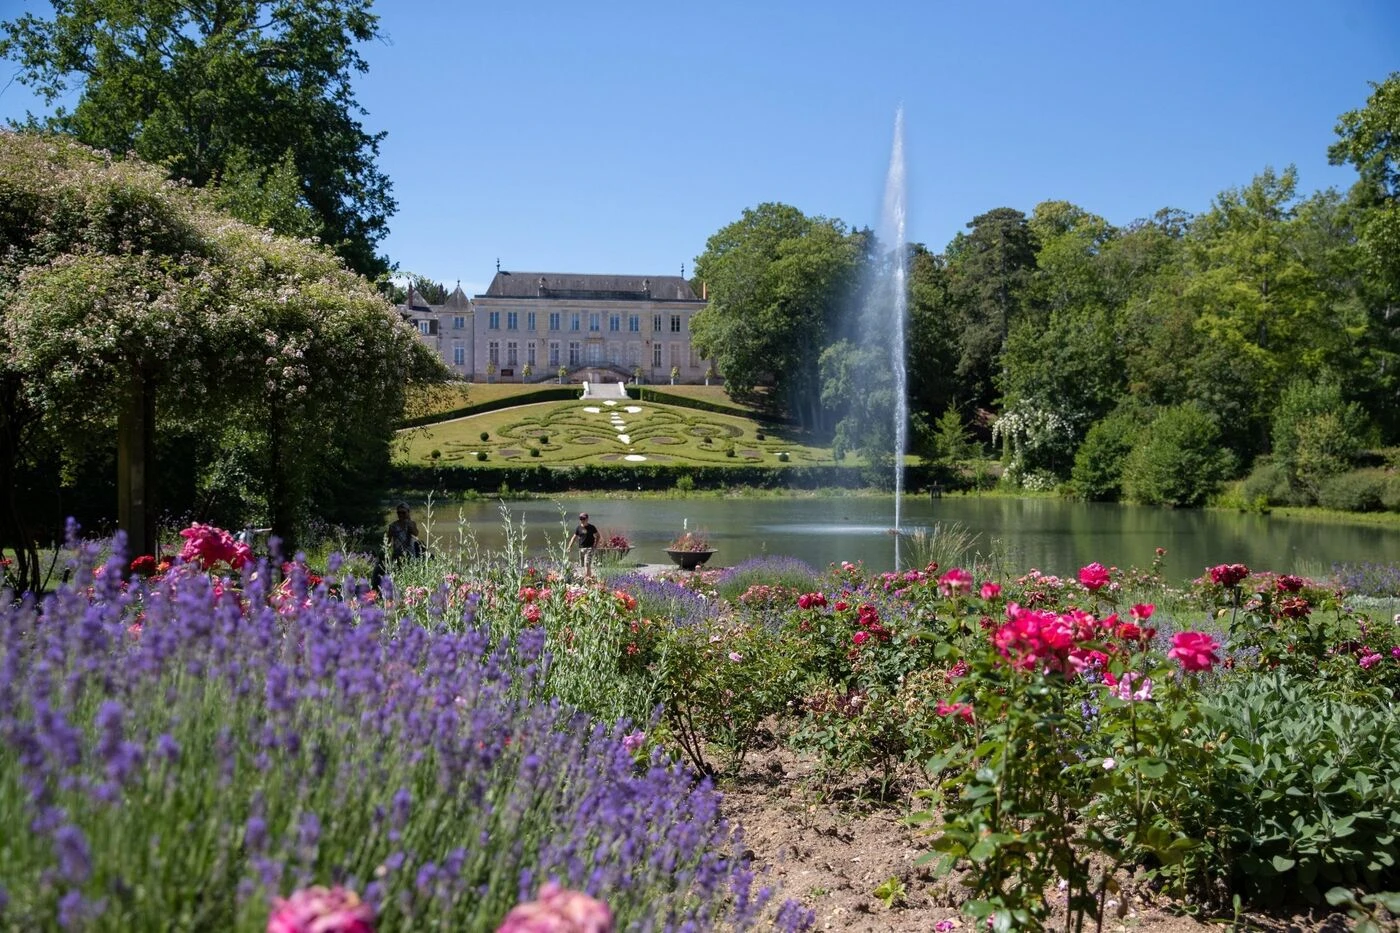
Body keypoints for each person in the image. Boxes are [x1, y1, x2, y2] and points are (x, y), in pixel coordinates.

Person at [570, 512, 599, 578]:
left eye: (583, 518)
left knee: (587, 564)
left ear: (587, 519)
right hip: (581, 549)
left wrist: (595, 545)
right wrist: (569, 546)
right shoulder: (578, 528)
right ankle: (590, 578)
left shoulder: (592, 527)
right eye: (580, 518)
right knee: (583, 565)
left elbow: (598, 536)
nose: (582, 520)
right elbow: (574, 538)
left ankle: (587, 579)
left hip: (589, 548)